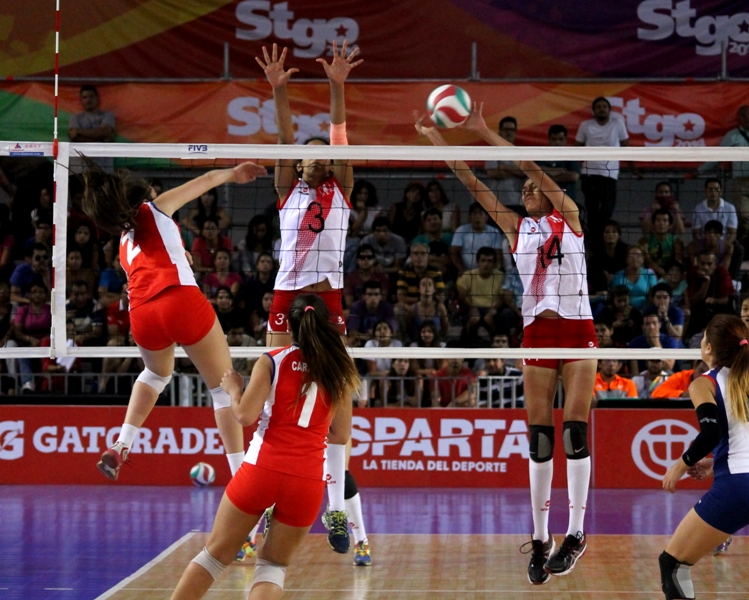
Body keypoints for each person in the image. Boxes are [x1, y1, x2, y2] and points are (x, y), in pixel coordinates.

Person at [418, 103, 597, 583]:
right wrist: (437, 141)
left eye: (534, 187)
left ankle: (576, 532)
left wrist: (482, 131)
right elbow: (473, 184)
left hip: (578, 329)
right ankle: (541, 539)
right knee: (539, 436)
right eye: (523, 189)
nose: (528, 189)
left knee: (574, 431)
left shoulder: (571, 217)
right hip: (538, 331)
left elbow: (533, 167)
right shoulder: (518, 229)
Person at [78, 155, 266, 481]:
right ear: (145, 195)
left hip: (142, 314)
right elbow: (205, 181)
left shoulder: (123, 243)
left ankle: (122, 443)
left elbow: (155, 259)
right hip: (178, 300)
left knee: (155, 374)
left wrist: (182, 254)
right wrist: (234, 173)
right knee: (222, 389)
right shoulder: (157, 207)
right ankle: (240, 481)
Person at [170, 294, 359, 600]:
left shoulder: (272, 360)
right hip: (307, 481)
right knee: (272, 565)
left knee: (214, 556)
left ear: (289, 326)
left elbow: (244, 416)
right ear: (324, 324)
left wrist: (234, 390)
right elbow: (341, 435)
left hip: (262, 469)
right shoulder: (339, 370)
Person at [256, 41, 365, 558]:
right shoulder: (287, 187)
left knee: (338, 393)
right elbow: (283, 136)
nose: (315, 154)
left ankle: (335, 504)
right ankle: (261, 498)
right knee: (274, 384)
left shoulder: (340, 186)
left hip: (328, 296)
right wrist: (279, 90)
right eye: (308, 152)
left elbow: (340, 142)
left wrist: (336, 86)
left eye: (324, 151)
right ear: (298, 166)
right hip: (286, 292)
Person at [659, 314, 749, 600]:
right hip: (738, 473)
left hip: (739, 486)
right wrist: (715, 461)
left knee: (672, 565)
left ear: (708, 348)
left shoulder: (704, 383)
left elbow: (710, 433)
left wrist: (678, 466)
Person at [574, 97, 634, 245]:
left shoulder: (617, 124)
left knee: (607, 211)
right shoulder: (585, 125)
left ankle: (601, 242)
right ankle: (594, 243)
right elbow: (576, 148)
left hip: (610, 175)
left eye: (604, 107)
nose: (602, 109)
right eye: (598, 107)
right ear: (594, 111)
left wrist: (633, 167)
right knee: (592, 213)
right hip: (589, 174)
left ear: (609, 110)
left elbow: (626, 145)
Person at [698, 105, 749, 238]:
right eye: (743, 115)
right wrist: (698, 171)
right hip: (741, 183)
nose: (747, 117)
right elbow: (717, 157)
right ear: (738, 118)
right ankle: (743, 249)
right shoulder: (732, 136)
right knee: (743, 217)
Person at [450, 202, 504, 276]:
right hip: (466, 273)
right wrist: (463, 270)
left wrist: (494, 272)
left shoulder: (494, 232)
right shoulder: (461, 230)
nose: (477, 217)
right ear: (469, 218)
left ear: (486, 217)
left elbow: (498, 256)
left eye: (481, 214)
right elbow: (453, 253)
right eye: (474, 214)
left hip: (489, 274)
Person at [536, 124, 581, 202]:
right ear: (549, 140)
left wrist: (548, 177)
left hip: (566, 202)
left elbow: (574, 176)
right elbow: (535, 173)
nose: (557, 142)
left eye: (560, 139)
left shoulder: (571, 156)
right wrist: (556, 171)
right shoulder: (541, 156)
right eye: (554, 139)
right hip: (545, 202)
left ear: (565, 140)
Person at [484, 116, 525, 200]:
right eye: (506, 129)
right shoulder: (492, 151)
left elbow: (525, 172)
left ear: (515, 132)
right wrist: (516, 171)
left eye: (511, 130)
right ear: (500, 131)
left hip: (518, 202)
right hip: (497, 202)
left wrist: (504, 167)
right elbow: (492, 173)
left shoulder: (521, 152)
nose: (509, 132)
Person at [610, 245, 658, 311]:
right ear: (627, 259)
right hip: (623, 310)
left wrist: (643, 311)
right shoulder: (618, 276)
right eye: (631, 255)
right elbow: (615, 298)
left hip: (646, 311)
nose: (635, 258)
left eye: (638, 255)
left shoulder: (649, 274)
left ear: (643, 260)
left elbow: (653, 296)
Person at [639, 209, 684, 278]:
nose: (661, 223)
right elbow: (647, 261)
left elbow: (677, 262)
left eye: (665, 221)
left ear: (670, 225)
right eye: (658, 220)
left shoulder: (676, 241)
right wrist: (662, 273)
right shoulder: (644, 240)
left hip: (670, 276)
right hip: (649, 275)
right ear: (653, 224)